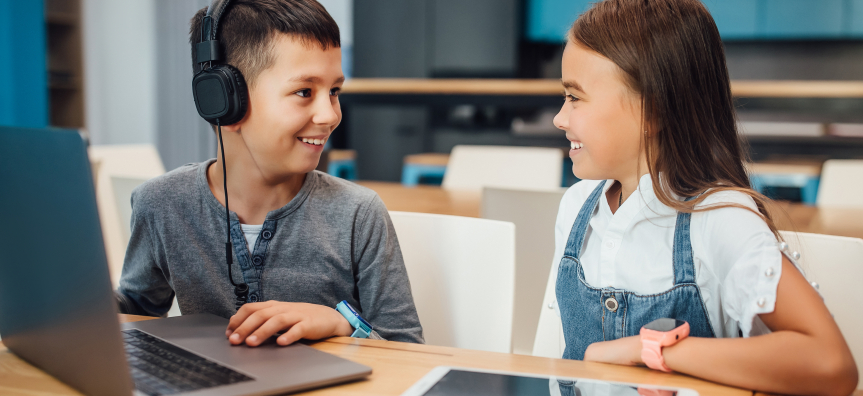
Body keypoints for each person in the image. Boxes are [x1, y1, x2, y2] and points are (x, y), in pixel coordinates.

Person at [549, 0, 857, 394]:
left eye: (575, 98)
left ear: (653, 111)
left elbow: (831, 365)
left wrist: (653, 352)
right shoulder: (576, 207)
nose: (560, 117)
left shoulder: (720, 219)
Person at [115, 0, 423, 347]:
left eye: (334, 91)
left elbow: (407, 348)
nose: (330, 115)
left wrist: (340, 323)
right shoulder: (162, 205)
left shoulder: (358, 214)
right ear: (224, 100)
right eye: (304, 92)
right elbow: (135, 311)